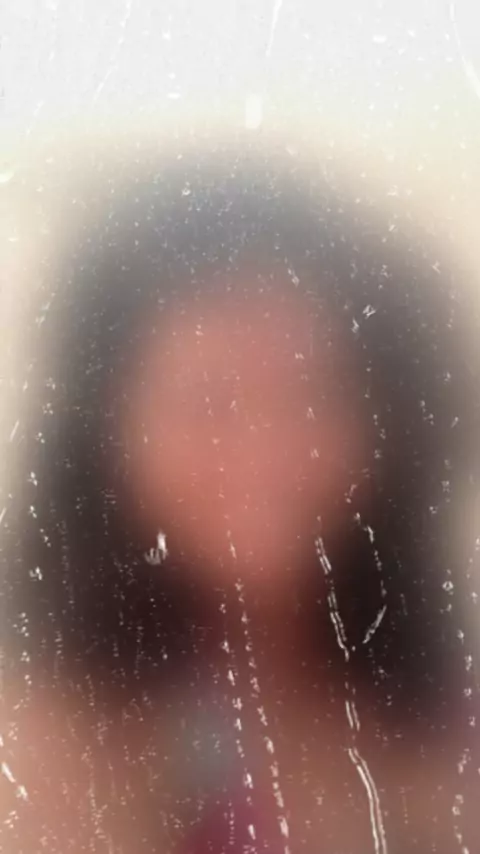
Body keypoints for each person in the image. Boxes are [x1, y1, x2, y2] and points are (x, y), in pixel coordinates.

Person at [1, 138, 479, 852]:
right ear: (103, 434)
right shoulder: (48, 730)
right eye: (207, 401)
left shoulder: (436, 696)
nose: (266, 451)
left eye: (310, 393)